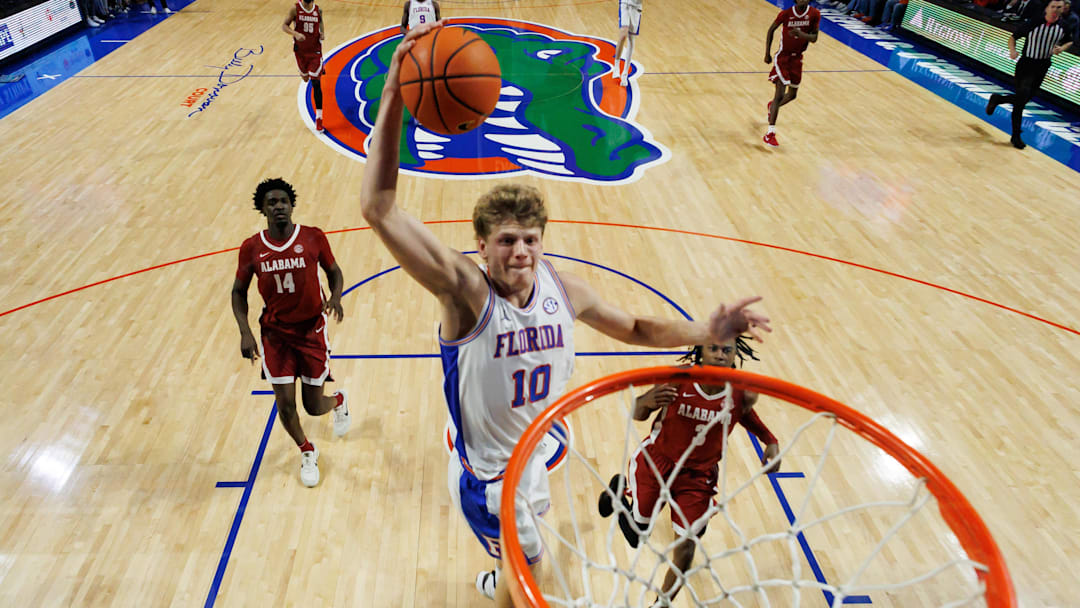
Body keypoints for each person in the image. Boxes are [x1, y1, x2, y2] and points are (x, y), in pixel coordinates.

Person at [359, 22, 772, 607]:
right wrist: (397, 95)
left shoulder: (563, 289)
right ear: (481, 246)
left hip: (533, 455)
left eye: (529, 239)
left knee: (519, 564)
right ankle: (507, 574)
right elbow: (377, 207)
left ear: (543, 240)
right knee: (536, 585)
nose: (519, 251)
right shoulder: (465, 293)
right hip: (492, 478)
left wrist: (706, 332)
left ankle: (499, 569)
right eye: (505, 241)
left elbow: (634, 328)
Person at [598, 337, 780, 607]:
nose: (720, 354)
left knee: (685, 550)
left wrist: (770, 440)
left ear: (734, 355)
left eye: (727, 350)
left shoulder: (742, 392)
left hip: (698, 478)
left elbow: (746, 415)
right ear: (700, 351)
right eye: (714, 348)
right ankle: (617, 497)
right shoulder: (675, 380)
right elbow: (636, 414)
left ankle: (661, 604)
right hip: (656, 464)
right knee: (636, 536)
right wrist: (646, 400)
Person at [231, 178, 350, 488]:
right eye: (272, 202)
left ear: (292, 204)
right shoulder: (251, 247)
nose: (279, 206)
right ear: (263, 209)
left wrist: (335, 296)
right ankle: (306, 450)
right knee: (285, 403)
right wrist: (245, 332)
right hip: (275, 335)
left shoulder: (312, 238)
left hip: (311, 331)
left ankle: (338, 400)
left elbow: (334, 272)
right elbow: (238, 291)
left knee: (313, 405)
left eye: (283, 201)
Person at [986, 0, 1073, 149]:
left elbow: (1069, 41)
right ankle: (1016, 136)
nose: (1055, 10)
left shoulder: (1064, 26)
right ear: (1046, 8)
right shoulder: (1034, 23)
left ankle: (998, 99)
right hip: (1026, 64)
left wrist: (1061, 48)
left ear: (1062, 9)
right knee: (1021, 99)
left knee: (1025, 99)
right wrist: (1012, 51)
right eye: (1052, 6)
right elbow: (1013, 37)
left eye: (1059, 7)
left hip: (1043, 65)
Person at [763, 0, 821, 148]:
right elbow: (771, 30)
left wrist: (801, 34)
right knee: (780, 94)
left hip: (797, 58)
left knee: (792, 95)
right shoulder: (786, 14)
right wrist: (767, 53)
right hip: (783, 57)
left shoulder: (814, 14)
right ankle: (770, 133)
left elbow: (814, 38)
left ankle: (772, 107)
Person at [283, 0, 326, 132]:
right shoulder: (295, 9)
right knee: (305, 78)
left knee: (316, 83)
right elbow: (284, 26)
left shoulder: (318, 10)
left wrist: (322, 32)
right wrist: (295, 34)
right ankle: (306, 72)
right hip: (300, 51)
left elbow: (320, 21)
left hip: (315, 51)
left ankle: (319, 119)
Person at [613, 0, 643, 86]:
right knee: (623, 34)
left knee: (631, 39)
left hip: (636, 7)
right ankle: (616, 66)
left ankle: (625, 73)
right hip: (625, 3)